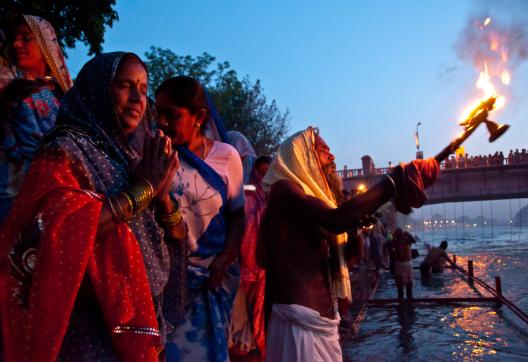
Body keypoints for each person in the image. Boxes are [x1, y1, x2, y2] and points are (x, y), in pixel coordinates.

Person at [0, 52, 186, 361]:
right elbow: (56, 230)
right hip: (87, 324)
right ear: (98, 88)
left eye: (143, 88)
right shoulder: (63, 151)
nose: (137, 98)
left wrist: (162, 196)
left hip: (140, 321)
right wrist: (143, 189)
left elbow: (178, 238)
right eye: (126, 85)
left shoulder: (134, 157)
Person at [257, 127, 439, 361]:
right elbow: (335, 220)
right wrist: (395, 179)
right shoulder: (285, 190)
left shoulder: (316, 203)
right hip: (300, 327)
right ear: (301, 156)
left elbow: (349, 255)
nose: (332, 157)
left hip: (324, 325)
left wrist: (356, 229)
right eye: (323, 150)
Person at [155, 76, 246, 361]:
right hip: (166, 278)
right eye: (158, 112)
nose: (162, 121)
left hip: (211, 278)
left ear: (199, 116)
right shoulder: (156, 154)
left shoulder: (226, 157)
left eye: (172, 114)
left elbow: (237, 215)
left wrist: (226, 256)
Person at [0, 15, 73, 221]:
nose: (16, 44)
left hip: (56, 199)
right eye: (14, 38)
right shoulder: (9, 90)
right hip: (11, 196)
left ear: (45, 44)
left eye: (26, 38)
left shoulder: (67, 98)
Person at [230, 155, 272, 359]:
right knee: (249, 316)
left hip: (267, 270)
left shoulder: (276, 199)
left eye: (268, 173)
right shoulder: (246, 198)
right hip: (246, 269)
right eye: (262, 172)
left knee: (264, 316)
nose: (265, 177)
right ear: (255, 172)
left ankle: (265, 352)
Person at [392, 228, 415, 299]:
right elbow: (414, 240)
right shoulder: (406, 241)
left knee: (401, 285)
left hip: (400, 264)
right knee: (407, 283)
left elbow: (414, 240)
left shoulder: (396, 242)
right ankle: (409, 299)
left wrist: (405, 233)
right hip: (405, 263)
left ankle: (402, 300)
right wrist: (407, 233)